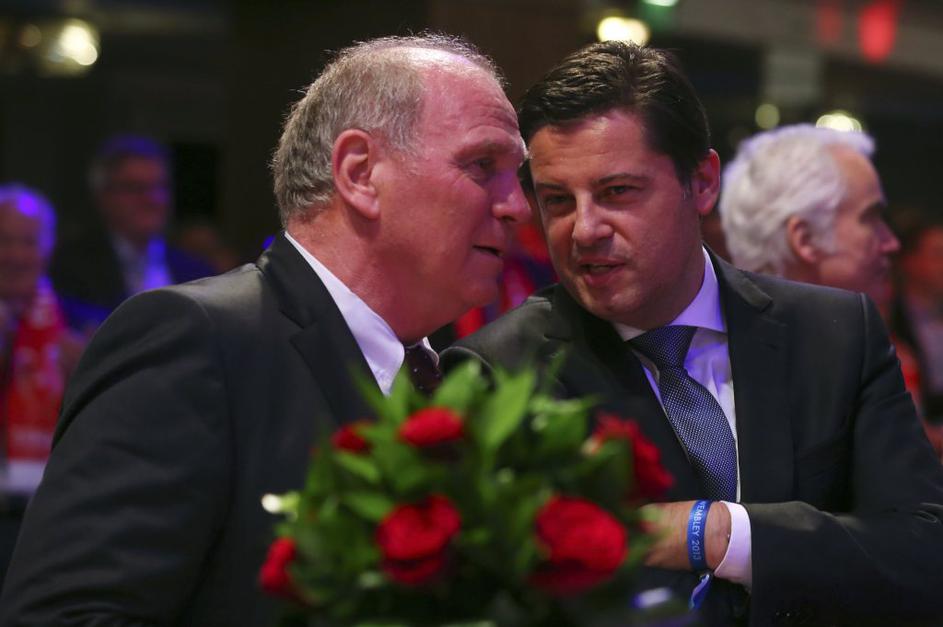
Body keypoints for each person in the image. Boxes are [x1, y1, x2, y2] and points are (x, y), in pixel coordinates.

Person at [0, 34, 529, 626]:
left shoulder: (462, 379)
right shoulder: (195, 340)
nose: (518, 207)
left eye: (517, 176)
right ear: (360, 174)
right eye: (483, 166)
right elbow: (65, 615)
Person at [442, 41, 943, 626]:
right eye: (557, 201)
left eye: (616, 192)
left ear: (702, 182)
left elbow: (923, 555)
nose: (584, 229)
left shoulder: (834, 335)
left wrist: (719, 532)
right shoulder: (500, 375)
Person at [718, 126, 941, 455]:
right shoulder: (742, 387)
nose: (891, 243)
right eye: (871, 218)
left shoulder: (849, 357)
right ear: (805, 240)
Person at [0, 185, 84, 587]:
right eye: (5, 241)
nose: (16, 256)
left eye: (29, 242)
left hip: (52, 525)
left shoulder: (82, 326)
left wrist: (85, 372)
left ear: (48, 248)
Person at [50, 135, 214, 332]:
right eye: (136, 188)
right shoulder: (68, 267)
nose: (152, 199)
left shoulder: (197, 271)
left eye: (160, 187)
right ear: (103, 196)